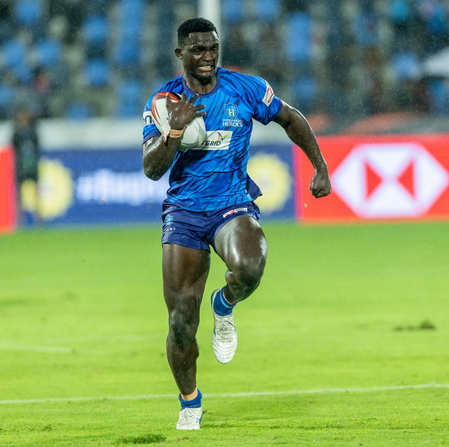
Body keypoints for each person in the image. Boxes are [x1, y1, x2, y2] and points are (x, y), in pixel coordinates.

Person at [142, 18, 331, 430]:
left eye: (213, 48)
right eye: (197, 49)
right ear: (180, 53)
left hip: (232, 203)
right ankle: (190, 402)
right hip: (185, 213)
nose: (207, 56)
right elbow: (152, 169)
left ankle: (223, 304)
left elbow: (290, 117)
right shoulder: (163, 102)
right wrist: (175, 129)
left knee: (249, 266)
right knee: (180, 321)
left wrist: (320, 166)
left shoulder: (244, 88)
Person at [12, 108, 41, 225]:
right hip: (21, 165)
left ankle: (38, 216)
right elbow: (14, 149)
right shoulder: (17, 133)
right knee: (19, 192)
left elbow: (37, 148)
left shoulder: (33, 133)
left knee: (35, 191)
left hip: (32, 164)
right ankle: (21, 218)